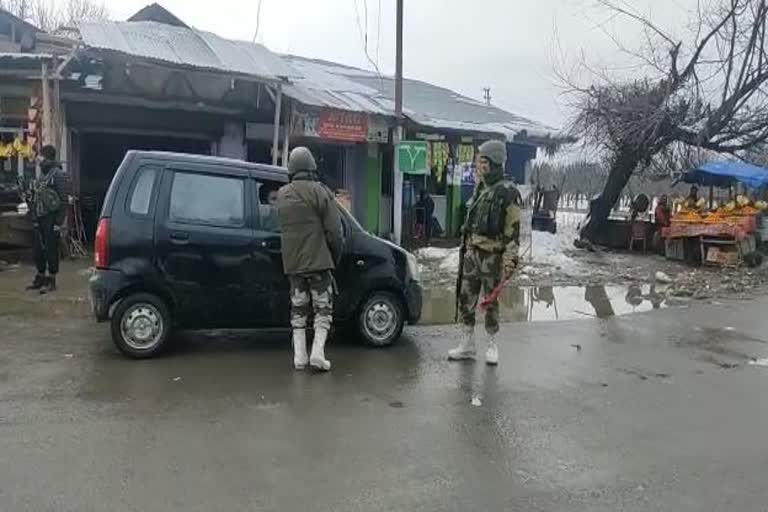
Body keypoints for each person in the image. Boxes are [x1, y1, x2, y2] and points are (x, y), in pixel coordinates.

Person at [448, 140, 521, 365]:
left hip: (492, 257)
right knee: (466, 298)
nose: (478, 165)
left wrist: (509, 262)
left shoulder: (508, 192)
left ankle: (492, 344)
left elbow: (513, 233)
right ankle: (467, 345)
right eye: (479, 161)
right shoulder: (480, 188)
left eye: (482, 161)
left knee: (490, 302)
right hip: (472, 253)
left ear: (494, 162)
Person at [277, 147, 343, 371]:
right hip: (318, 262)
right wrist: (334, 257)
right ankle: (318, 352)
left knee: (298, 309)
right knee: (323, 308)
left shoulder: (282, 195)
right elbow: (335, 232)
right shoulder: (320, 191)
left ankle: (300, 357)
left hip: (293, 265)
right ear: (311, 166)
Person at [27, 144, 70, 293]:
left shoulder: (57, 174)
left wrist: (58, 222)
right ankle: (40, 277)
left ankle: (51, 280)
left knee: (51, 249)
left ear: (46, 157)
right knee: (38, 249)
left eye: (40, 155)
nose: (38, 158)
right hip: (40, 217)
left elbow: (64, 200)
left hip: (51, 219)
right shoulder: (42, 174)